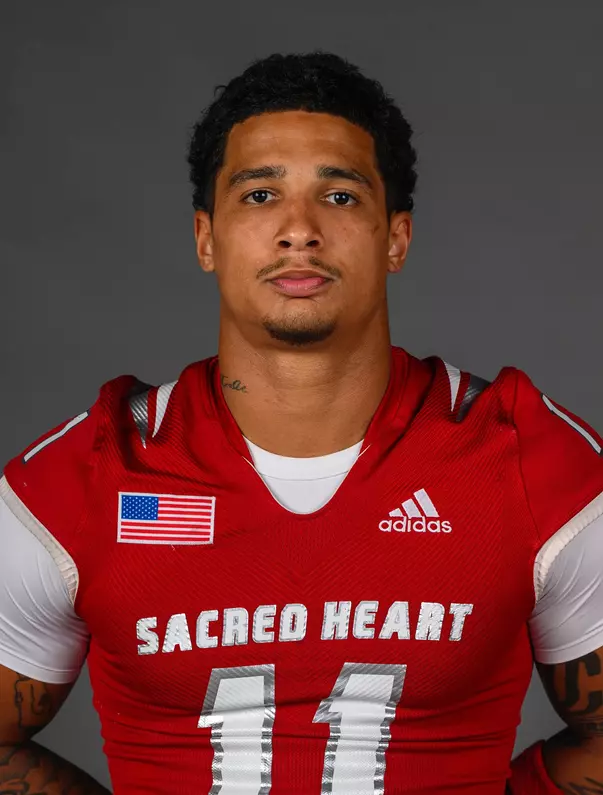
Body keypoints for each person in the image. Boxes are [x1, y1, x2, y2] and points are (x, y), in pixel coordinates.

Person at [0, 51, 602, 795]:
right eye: (258, 194)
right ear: (206, 237)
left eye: (340, 197)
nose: (298, 230)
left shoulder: (527, 456)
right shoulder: (86, 472)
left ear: (396, 238)